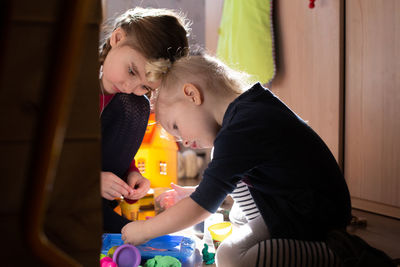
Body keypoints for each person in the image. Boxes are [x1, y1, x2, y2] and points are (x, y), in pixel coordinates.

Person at [121, 52, 354, 266]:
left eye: (177, 127)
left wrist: (145, 230)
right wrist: (196, 193)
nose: (183, 141)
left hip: (315, 222)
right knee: (223, 164)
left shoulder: (242, 128)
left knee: (231, 257)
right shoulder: (249, 109)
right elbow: (262, 177)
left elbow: (202, 207)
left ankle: (340, 256)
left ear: (192, 94)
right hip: (296, 205)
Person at [98, 7, 190, 233]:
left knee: (139, 105)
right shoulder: (72, 80)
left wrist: (131, 174)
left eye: (145, 87)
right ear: (117, 38)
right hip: (55, 183)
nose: (130, 87)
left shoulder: (127, 102)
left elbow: (107, 148)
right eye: (131, 71)